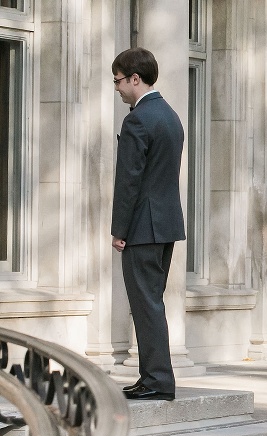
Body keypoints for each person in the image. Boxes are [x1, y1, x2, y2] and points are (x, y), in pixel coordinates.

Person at [111, 47, 185, 401]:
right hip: (166, 224)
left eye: (119, 80)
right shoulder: (170, 116)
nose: (117, 88)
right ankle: (151, 376)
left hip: (142, 227)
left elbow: (129, 180)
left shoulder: (138, 119)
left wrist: (120, 230)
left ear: (135, 78)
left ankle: (157, 380)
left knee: (146, 304)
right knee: (151, 302)